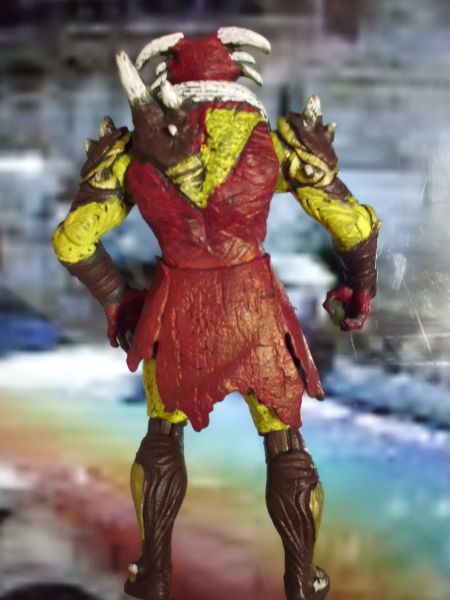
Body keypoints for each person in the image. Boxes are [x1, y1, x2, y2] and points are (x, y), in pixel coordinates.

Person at [52, 28, 380, 600]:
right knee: (285, 444)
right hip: (255, 312)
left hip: (175, 312)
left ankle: (154, 576)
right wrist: (361, 287)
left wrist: (118, 297)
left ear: (172, 80)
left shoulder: (131, 156)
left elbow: (72, 242)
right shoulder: (273, 145)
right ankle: (301, 581)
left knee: (163, 435)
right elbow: (354, 226)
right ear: (236, 76)